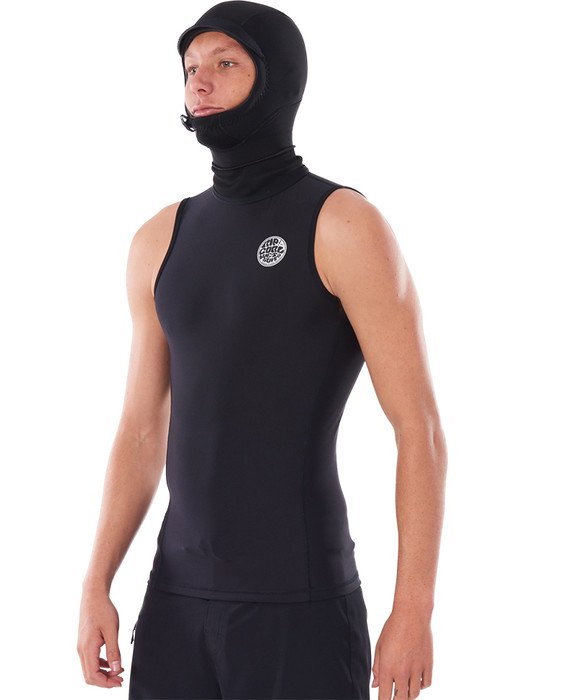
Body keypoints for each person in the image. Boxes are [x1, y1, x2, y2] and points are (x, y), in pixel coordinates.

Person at [77, 2, 447, 698]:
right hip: (175, 603)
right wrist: (96, 581)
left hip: (299, 605)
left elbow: (417, 428)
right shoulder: (159, 238)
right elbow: (141, 429)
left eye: (226, 63)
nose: (200, 81)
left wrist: (413, 611)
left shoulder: (342, 224)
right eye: (191, 67)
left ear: (276, 78)